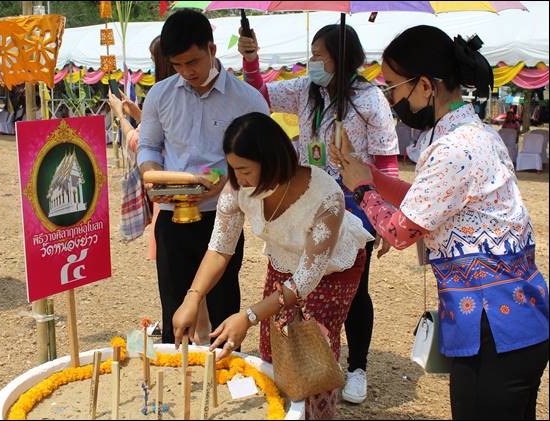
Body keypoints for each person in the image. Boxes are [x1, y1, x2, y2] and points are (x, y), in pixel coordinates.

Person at [331, 26, 549, 420]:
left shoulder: (454, 148)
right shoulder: (473, 134)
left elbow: (399, 231)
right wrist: (369, 175)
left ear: (426, 87)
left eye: (393, 87)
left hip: (496, 327)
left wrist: (362, 191)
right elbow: (424, 199)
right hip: (507, 321)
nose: (392, 99)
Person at [172, 112, 372, 419]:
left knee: (310, 350)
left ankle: (314, 413)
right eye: (233, 169)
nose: (238, 179)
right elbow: (220, 248)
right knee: (274, 342)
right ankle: (281, 409)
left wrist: (248, 316)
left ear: (273, 160)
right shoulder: (239, 189)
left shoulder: (326, 196)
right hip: (283, 263)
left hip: (333, 269)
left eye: (245, 170)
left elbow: (306, 280)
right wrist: (193, 297)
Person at [238, 23, 399, 403]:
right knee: (304, 284)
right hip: (308, 203)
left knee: (355, 289)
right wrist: (250, 60)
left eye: (319, 56)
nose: (312, 63)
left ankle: (356, 366)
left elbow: (387, 161)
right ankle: (303, 360)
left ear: (342, 59)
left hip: (356, 208)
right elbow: (260, 96)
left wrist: (385, 214)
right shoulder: (304, 90)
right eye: (311, 55)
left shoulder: (369, 99)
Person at [137, 9, 270, 346]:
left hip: (223, 218)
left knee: (224, 303)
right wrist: (151, 173)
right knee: (174, 305)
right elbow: (149, 145)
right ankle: (176, 377)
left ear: (211, 49)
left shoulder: (247, 99)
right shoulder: (160, 95)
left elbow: (261, 159)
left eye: (192, 62)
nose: (186, 72)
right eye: (177, 65)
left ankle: (225, 375)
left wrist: (225, 179)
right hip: (171, 216)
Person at [108, 35, 176, 260]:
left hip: (169, 202)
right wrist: (137, 113)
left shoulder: (163, 95)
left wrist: (119, 115)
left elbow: (139, 142)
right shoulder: (184, 95)